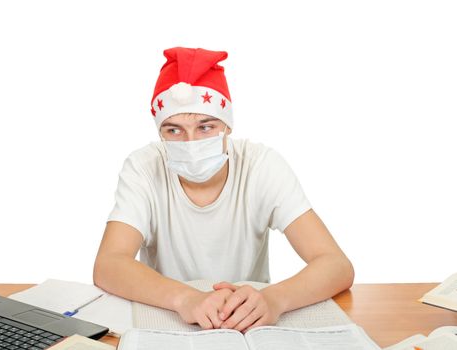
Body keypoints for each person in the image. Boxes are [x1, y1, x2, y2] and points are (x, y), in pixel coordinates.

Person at [93, 47, 354, 332]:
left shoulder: (261, 165)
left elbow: (336, 265)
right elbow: (109, 264)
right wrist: (187, 299)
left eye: (205, 127)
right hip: (170, 322)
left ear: (227, 127)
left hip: (250, 326)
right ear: (160, 133)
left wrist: (275, 299)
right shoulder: (143, 167)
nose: (190, 143)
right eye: (174, 130)